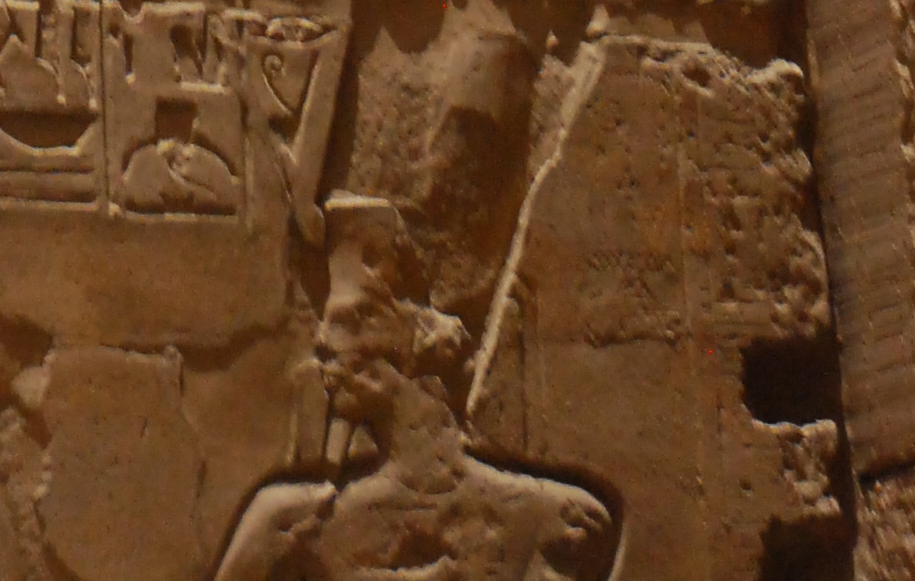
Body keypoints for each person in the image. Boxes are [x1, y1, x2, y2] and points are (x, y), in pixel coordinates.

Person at [211, 203, 616, 581]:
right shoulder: (288, 523)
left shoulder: (551, 521)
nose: (323, 342)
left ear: (413, 337)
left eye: (352, 320)